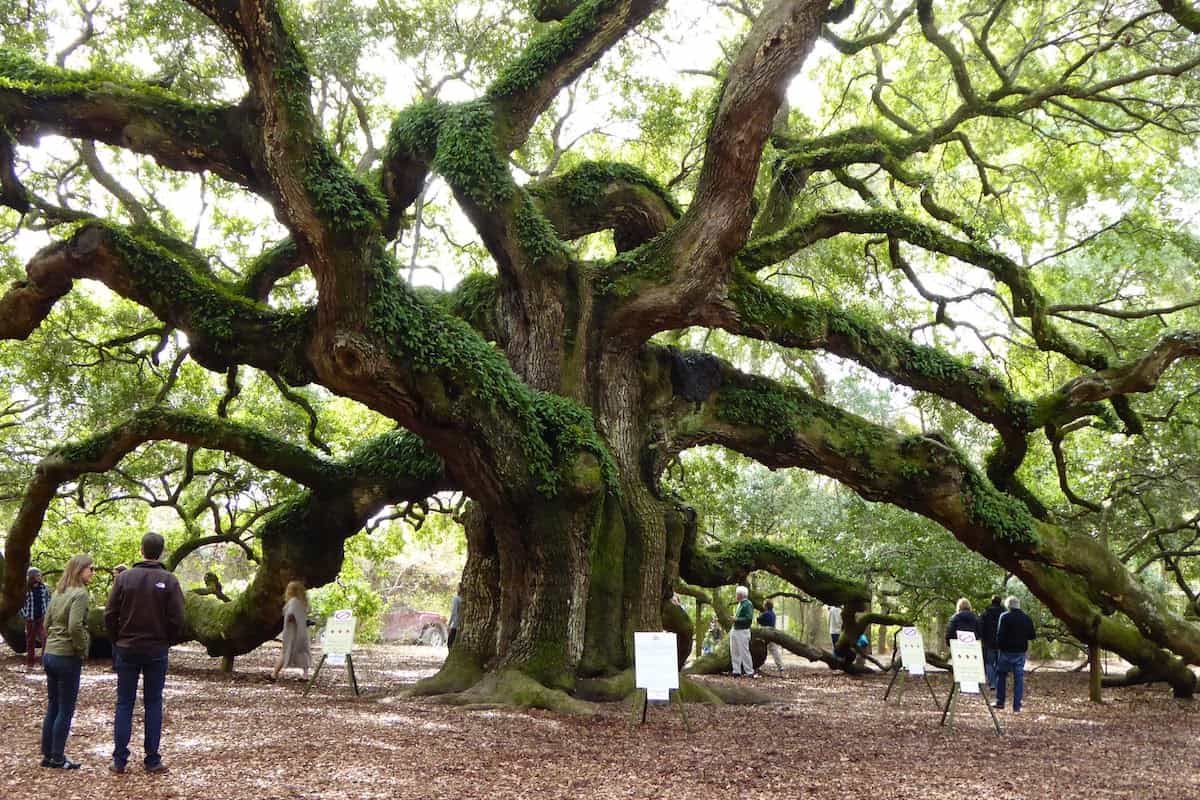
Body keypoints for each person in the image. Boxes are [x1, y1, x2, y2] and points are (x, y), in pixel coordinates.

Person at [105, 532, 186, 775]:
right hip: (155, 649)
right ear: (161, 552)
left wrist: (117, 639)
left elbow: (110, 614)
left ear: (141, 550)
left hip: (128, 648)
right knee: (153, 703)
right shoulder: (169, 580)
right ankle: (152, 759)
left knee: (124, 703)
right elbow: (179, 618)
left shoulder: (124, 579)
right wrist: (167, 640)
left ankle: (119, 760)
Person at [40, 555, 95, 769]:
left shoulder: (58, 592)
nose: (92, 572)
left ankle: (47, 754)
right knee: (65, 708)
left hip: (50, 655)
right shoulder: (80, 594)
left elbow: (46, 623)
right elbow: (74, 626)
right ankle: (58, 757)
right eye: (90, 568)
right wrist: (83, 648)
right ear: (80, 569)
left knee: (53, 705)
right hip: (66, 656)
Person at [994, 595, 1037, 712]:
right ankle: (1017, 706)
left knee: (1001, 676)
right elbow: (1032, 635)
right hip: (1020, 652)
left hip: (1006, 652)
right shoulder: (1026, 618)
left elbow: (1000, 635)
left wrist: (999, 647)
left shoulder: (1004, 617)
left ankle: (1000, 702)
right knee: (1018, 678)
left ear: (1008, 606)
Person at [272, 580, 311, 681]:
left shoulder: (293, 601)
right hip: (302, 632)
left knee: (285, 651)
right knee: (302, 652)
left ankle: (274, 674)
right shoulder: (303, 602)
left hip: (292, 632)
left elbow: (290, 615)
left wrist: (290, 619)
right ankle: (305, 675)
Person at [21, 566, 52, 670]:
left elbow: (48, 600)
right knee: (30, 641)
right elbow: (21, 604)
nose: (39, 577)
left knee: (45, 638)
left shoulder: (44, 587)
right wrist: (26, 615)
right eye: (37, 575)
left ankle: (44, 662)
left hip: (42, 617)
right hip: (30, 618)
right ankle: (30, 664)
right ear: (31, 577)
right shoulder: (25, 589)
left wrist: (47, 613)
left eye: (40, 575)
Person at [729, 586, 756, 677]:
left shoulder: (748, 604)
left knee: (744, 651)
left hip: (743, 631)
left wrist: (736, 619)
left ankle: (749, 671)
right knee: (734, 651)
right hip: (735, 630)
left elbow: (748, 618)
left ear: (740, 595)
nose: (736, 595)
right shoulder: (740, 604)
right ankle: (736, 670)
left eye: (737, 594)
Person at [979, 595, 1004, 690]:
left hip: (988, 642)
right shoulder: (1004, 613)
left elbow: (981, 626)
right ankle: (998, 682)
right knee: (999, 663)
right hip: (1001, 643)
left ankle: (992, 683)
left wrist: (981, 638)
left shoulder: (986, 613)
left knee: (989, 663)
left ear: (991, 601)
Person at [757, 600, 784, 674]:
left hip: (766, 634)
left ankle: (757, 665)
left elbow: (759, 620)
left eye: (764, 605)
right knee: (775, 651)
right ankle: (780, 666)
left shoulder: (765, 614)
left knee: (762, 650)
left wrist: (758, 617)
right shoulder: (773, 614)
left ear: (766, 606)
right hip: (772, 633)